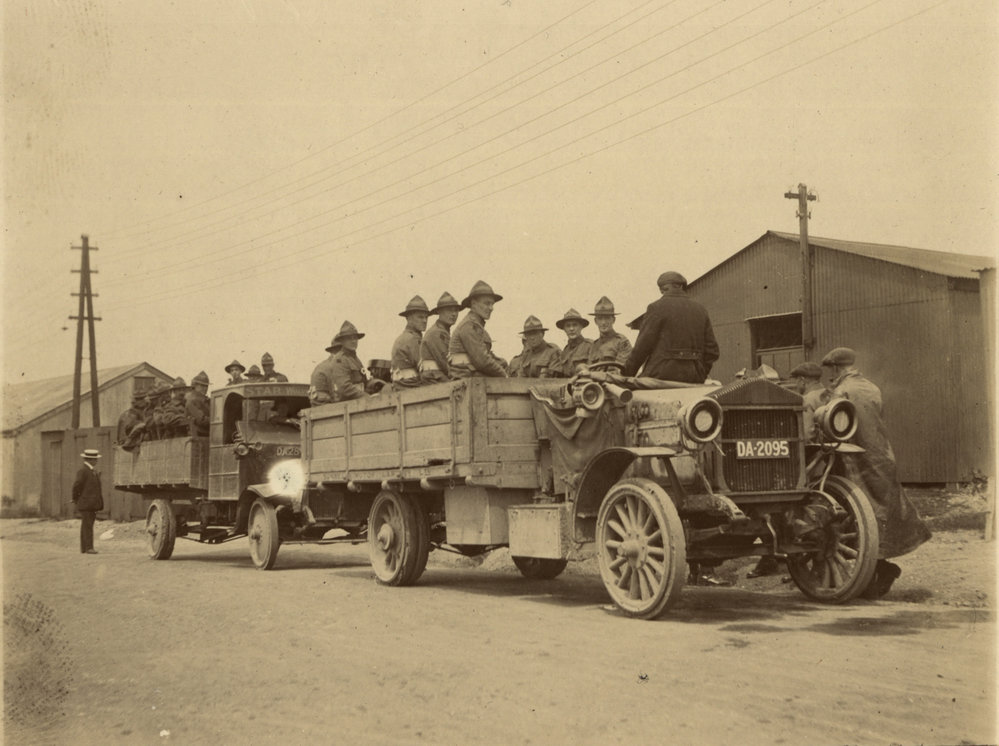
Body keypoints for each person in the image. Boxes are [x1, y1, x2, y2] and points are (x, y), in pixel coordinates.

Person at [821, 346, 932, 598]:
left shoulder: (842, 391)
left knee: (862, 514)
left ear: (837, 368)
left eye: (831, 371)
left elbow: (833, 427)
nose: (830, 376)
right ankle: (876, 572)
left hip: (857, 461)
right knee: (883, 512)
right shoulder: (871, 387)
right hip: (882, 457)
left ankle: (880, 570)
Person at [623, 271, 719, 383]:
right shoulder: (701, 310)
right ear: (682, 287)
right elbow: (712, 351)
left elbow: (642, 348)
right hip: (694, 378)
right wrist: (701, 374)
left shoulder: (656, 308)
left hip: (660, 377)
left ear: (662, 289)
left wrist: (626, 375)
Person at [448, 280, 508, 378]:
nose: (491, 308)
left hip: (473, 375)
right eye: (487, 303)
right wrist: (504, 375)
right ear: (474, 304)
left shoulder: (476, 326)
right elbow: (482, 361)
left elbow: (486, 357)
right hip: (467, 377)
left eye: (492, 304)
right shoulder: (469, 325)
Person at [419, 291, 461, 383]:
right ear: (439, 312)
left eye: (456, 310)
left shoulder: (443, 331)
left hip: (437, 377)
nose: (454, 314)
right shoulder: (437, 333)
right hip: (435, 379)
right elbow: (446, 364)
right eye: (449, 310)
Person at [329, 320, 377, 401]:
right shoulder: (339, 360)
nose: (353, 341)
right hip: (347, 404)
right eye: (349, 338)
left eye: (355, 338)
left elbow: (362, 383)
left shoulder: (356, 360)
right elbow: (344, 388)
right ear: (342, 341)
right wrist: (366, 396)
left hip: (357, 401)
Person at [391, 295, 430, 387]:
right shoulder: (412, 339)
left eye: (426, 317)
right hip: (411, 389)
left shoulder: (404, 337)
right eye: (420, 317)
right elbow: (425, 370)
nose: (424, 321)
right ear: (409, 318)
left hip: (403, 388)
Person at [71, 449, 104, 555]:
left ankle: (85, 548)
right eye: (95, 459)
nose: (96, 461)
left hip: (90, 504)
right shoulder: (84, 471)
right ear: (89, 459)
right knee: (88, 525)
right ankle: (89, 548)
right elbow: (77, 485)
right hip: (87, 504)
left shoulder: (91, 471)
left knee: (86, 525)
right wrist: (76, 498)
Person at [587, 296, 632, 370]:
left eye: (607, 318)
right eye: (600, 318)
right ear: (595, 321)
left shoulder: (622, 342)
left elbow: (619, 372)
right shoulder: (594, 345)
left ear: (613, 320)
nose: (603, 322)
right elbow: (589, 369)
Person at [550, 309, 593, 378]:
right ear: (564, 329)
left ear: (581, 327)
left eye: (575, 325)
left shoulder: (590, 346)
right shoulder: (565, 351)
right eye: (568, 326)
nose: (571, 329)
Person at [310, 338, 342, 404]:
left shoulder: (345, 367)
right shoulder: (322, 370)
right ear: (334, 352)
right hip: (328, 411)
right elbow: (318, 401)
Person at [185, 371, 211, 436]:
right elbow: (201, 420)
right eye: (202, 385)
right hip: (197, 436)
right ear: (195, 385)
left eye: (206, 386)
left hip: (207, 434)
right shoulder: (191, 401)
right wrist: (215, 421)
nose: (205, 388)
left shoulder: (206, 400)